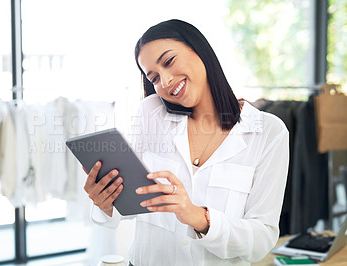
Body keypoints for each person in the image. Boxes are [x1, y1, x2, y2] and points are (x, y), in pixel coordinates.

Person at [83, 19, 289, 266]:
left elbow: (261, 241)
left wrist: (198, 217)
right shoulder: (150, 114)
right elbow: (127, 206)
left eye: (169, 61)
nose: (166, 81)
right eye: (154, 78)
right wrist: (105, 201)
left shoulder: (268, 132)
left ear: (199, 49)